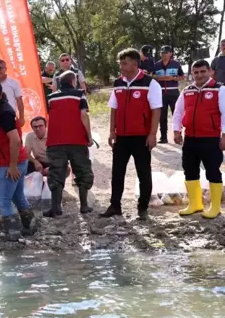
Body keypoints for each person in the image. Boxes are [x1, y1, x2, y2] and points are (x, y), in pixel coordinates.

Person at [101, 48, 162, 220]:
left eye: (124, 63)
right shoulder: (118, 83)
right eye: (121, 63)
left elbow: (156, 110)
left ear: (135, 64)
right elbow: (114, 108)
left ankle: (142, 208)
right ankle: (115, 206)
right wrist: (112, 131)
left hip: (141, 137)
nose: (121, 67)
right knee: (117, 172)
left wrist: (152, 134)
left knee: (143, 172)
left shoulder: (150, 83)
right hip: (121, 137)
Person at [0, 78, 34, 240]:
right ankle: (29, 224)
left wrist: (12, 166)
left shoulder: (4, 112)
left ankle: (13, 234)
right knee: (17, 196)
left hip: (10, 163)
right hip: (10, 161)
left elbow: (15, 140)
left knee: (3, 201)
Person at [173, 60, 225, 219]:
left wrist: (224, 136)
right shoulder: (187, 91)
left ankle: (215, 207)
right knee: (189, 171)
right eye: (196, 72)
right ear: (192, 74)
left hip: (211, 139)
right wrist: (176, 131)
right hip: (190, 139)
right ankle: (195, 204)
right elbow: (178, 112)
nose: (199, 75)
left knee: (213, 172)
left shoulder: (220, 89)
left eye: (203, 71)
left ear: (210, 72)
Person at [44, 71, 94, 217]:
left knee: (56, 173)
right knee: (82, 171)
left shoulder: (50, 97)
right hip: (77, 140)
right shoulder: (79, 94)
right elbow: (84, 115)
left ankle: (56, 208)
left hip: (55, 141)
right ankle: (84, 206)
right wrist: (89, 137)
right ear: (73, 81)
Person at [154, 45, 185, 143]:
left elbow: (182, 76)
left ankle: (179, 136)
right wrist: (160, 78)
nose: (163, 54)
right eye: (162, 52)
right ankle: (163, 137)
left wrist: (173, 78)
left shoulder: (176, 64)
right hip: (161, 93)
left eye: (165, 52)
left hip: (173, 92)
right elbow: (152, 76)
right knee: (162, 116)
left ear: (170, 53)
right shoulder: (156, 65)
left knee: (177, 114)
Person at [0, 59, 25, 126]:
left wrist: (21, 117)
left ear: (5, 69)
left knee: (14, 136)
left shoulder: (14, 83)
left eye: (0, 68)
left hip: (10, 116)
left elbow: (19, 101)